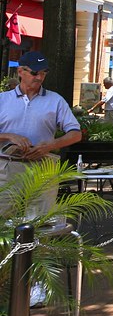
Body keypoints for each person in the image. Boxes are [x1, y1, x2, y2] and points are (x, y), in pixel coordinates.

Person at [0, 52, 82, 216]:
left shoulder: (55, 100)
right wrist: (9, 136)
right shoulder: (3, 100)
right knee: (3, 220)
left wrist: (51, 145)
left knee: (39, 221)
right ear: (20, 71)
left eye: (43, 73)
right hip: (8, 167)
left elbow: (76, 134)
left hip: (43, 165)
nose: (39, 77)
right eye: (35, 72)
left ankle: (39, 243)